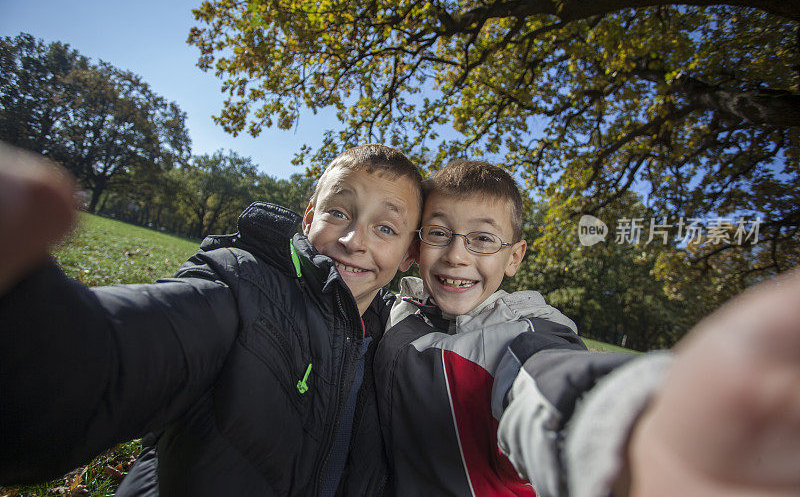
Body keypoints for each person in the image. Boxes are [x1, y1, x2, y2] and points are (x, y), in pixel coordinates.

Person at [0, 142, 422, 496]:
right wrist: (26, 315)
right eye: (339, 214)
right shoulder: (239, 285)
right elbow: (106, 359)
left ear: (408, 255)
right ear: (309, 217)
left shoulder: (403, 347)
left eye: (385, 229)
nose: (353, 242)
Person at [373, 160, 800, 497]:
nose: (456, 255)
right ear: (417, 242)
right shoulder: (399, 308)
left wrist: (624, 430)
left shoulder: (524, 333)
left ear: (515, 257)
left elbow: (551, 383)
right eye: (439, 233)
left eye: (483, 239)